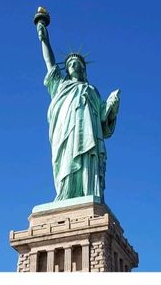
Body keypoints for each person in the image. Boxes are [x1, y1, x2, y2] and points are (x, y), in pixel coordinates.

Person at [36, 15, 120, 201]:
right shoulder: (61, 85)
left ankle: (89, 192)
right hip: (65, 132)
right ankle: (65, 194)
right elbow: (50, 63)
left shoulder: (92, 91)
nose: (73, 66)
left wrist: (112, 107)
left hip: (88, 134)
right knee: (66, 160)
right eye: (70, 64)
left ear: (83, 69)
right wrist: (44, 39)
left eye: (77, 64)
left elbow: (104, 123)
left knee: (88, 158)